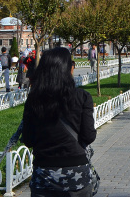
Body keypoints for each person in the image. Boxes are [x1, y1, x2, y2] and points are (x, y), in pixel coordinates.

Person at [22, 47, 97, 196]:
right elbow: (88, 136)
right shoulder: (82, 97)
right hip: (76, 175)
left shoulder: (34, 99)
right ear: (68, 68)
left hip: (44, 174)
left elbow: (28, 140)